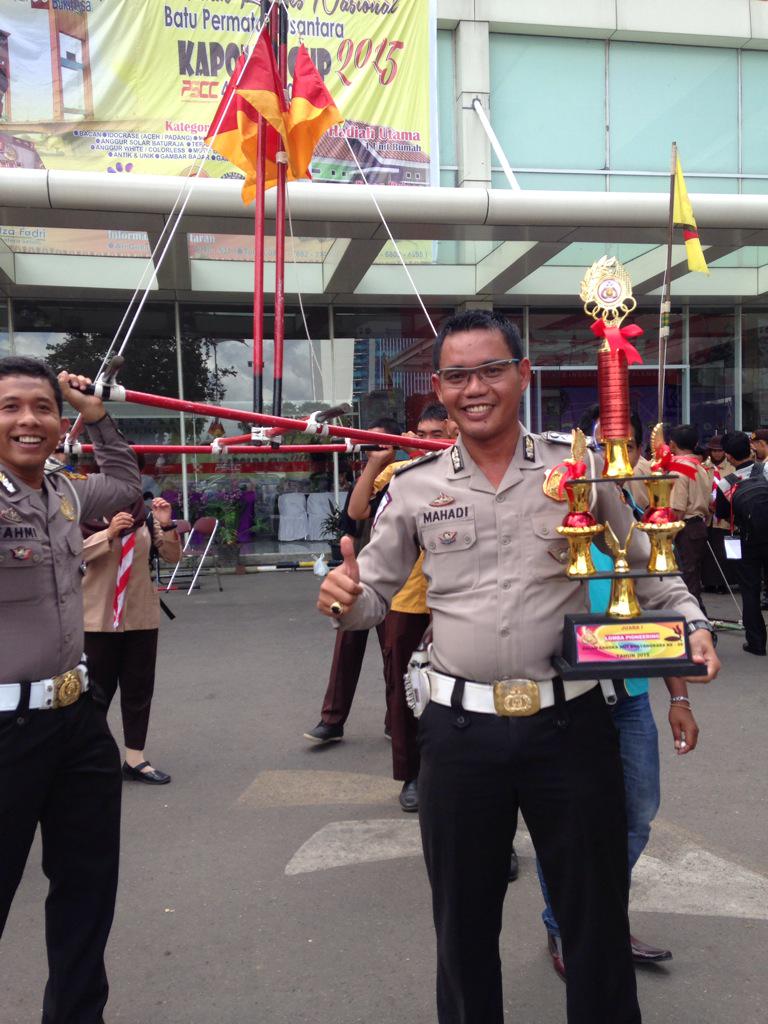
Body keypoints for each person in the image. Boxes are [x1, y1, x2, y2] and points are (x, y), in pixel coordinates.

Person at [317, 310, 719, 1024]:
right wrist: (344, 598)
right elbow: (373, 592)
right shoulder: (413, 486)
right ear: (438, 389)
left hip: (570, 726)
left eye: (491, 370)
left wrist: (690, 624)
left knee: (594, 915)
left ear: (522, 376)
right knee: (463, 925)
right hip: (460, 733)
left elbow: (643, 561)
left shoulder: (578, 466)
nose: (475, 388)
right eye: (457, 375)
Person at [0, 356, 141, 1024]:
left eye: (42, 407)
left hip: (75, 721)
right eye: (9, 407)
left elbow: (124, 483)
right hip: (3, 733)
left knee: (87, 892)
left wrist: (97, 414)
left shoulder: (62, 492)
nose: (29, 419)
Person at [346, 403, 456, 812]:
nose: (429, 443)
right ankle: (412, 775)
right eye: (422, 435)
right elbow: (357, 511)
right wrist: (376, 463)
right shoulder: (401, 474)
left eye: (438, 435)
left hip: (458, 601)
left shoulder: (470, 470)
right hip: (407, 601)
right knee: (407, 692)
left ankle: (460, 779)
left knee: (465, 695)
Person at [304, 417, 404, 746]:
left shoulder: (404, 476)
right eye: (366, 442)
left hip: (394, 578)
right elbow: (351, 515)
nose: (370, 448)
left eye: (377, 443)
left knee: (394, 652)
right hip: (358, 571)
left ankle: (396, 721)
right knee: (346, 643)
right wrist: (370, 469)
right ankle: (332, 720)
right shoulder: (369, 476)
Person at [81, 487, 181, 785]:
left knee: (138, 690)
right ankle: (91, 758)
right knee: (95, 693)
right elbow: (71, 555)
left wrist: (165, 523)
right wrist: (108, 532)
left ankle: (135, 759)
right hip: (96, 619)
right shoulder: (83, 513)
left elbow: (173, 556)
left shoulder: (145, 518)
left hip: (140, 616)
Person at [716, 431, 768, 656]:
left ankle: (756, 643)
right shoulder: (764, 471)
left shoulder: (726, 484)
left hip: (745, 541)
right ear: (750, 448)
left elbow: (721, 513)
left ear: (728, 456)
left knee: (750, 591)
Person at [668, 424, 712, 612]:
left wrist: (668, 537)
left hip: (684, 528)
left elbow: (678, 508)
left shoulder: (679, 468)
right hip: (698, 526)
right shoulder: (700, 467)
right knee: (692, 580)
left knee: (686, 582)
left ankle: (696, 625)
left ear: (672, 444)